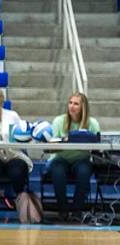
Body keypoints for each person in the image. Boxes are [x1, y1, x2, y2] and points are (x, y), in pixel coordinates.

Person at [48, 92, 100, 221]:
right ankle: (63, 209)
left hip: (81, 159)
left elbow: (98, 145)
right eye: (70, 103)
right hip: (60, 158)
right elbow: (53, 143)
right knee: (57, 171)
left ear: (83, 107)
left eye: (76, 104)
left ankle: (77, 210)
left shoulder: (92, 123)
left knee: (84, 171)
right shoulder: (59, 121)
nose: (72, 106)